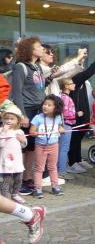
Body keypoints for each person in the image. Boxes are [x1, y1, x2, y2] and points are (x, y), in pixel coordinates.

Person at [10, 37, 46, 196]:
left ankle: (27, 178)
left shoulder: (37, 67)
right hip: (26, 111)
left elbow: (40, 88)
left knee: (32, 147)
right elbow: (16, 93)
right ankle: (17, 183)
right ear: (31, 50)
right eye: (39, 46)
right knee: (22, 147)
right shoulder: (20, 67)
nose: (42, 48)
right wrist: (22, 115)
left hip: (38, 112)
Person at [68, 45, 95, 174]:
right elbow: (88, 73)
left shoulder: (82, 81)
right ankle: (71, 162)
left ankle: (78, 159)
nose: (82, 66)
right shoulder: (74, 78)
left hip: (83, 112)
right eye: (79, 63)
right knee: (74, 138)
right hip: (75, 113)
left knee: (79, 136)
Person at [30, 94, 65, 198]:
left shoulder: (58, 117)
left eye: (49, 105)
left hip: (54, 145)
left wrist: (61, 130)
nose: (45, 106)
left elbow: (61, 128)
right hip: (40, 146)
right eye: (44, 104)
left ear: (56, 107)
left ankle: (55, 187)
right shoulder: (38, 118)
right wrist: (36, 133)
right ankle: (37, 188)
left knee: (53, 167)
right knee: (39, 168)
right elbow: (31, 131)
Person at [0, 105, 28, 204]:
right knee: (5, 181)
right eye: (6, 118)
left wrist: (23, 140)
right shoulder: (1, 131)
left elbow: (23, 145)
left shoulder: (19, 131)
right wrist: (4, 132)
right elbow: (1, 144)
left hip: (17, 161)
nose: (9, 121)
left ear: (18, 120)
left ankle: (15, 194)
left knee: (18, 178)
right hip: (5, 161)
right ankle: (5, 198)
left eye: (12, 119)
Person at [57, 78, 77, 181]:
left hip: (66, 124)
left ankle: (62, 169)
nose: (74, 84)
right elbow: (63, 113)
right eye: (72, 83)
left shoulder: (64, 97)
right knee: (64, 148)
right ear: (66, 86)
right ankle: (61, 171)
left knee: (62, 148)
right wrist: (75, 114)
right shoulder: (65, 98)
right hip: (66, 124)